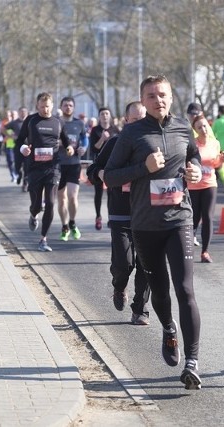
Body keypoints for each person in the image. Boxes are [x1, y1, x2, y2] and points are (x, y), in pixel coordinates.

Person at [104, 74, 203, 390]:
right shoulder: (132, 134)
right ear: (143, 100)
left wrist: (197, 170)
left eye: (162, 94)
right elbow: (109, 176)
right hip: (145, 225)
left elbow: (194, 158)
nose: (158, 100)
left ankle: (192, 362)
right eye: (151, 96)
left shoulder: (182, 129)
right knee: (160, 292)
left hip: (179, 219)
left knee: (185, 289)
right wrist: (142, 168)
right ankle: (168, 329)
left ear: (171, 97)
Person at [88, 101, 151, 325]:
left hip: (148, 214)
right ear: (126, 121)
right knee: (124, 264)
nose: (140, 123)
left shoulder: (155, 143)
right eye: (135, 120)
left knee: (147, 265)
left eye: (144, 118)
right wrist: (104, 175)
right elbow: (92, 170)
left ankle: (140, 310)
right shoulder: (115, 142)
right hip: (120, 213)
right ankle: (119, 286)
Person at [17, 92, 73, 252]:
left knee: (50, 203)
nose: (45, 110)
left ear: (52, 106)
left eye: (47, 106)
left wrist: (69, 147)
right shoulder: (31, 120)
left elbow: (66, 139)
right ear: (37, 106)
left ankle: (43, 239)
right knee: (36, 204)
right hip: (34, 168)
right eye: (42, 107)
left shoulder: (58, 121)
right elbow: (20, 140)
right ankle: (33, 214)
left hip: (53, 168)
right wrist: (23, 149)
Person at [189, 115, 224, 263]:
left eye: (205, 126)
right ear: (195, 130)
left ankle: (205, 252)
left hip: (210, 184)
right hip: (194, 185)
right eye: (199, 127)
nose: (203, 129)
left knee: (208, 217)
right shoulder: (192, 145)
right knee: (194, 217)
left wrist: (221, 161)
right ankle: (186, 249)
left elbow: (215, 164)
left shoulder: (214, 143)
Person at [57, 96, 88, 241]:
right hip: (58, 165)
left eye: (70, 105)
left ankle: (72, 222)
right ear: (61, 107)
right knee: (61, 199)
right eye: (65, 105)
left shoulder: (79, 123)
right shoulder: (57, 123)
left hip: (74, 164)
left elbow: (84, 139)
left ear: (73, 107)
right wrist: (59, 143)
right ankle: (64, 226)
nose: (68, 107)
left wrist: (83, 147)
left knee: (72, 197)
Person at [89, 107, 119, 230]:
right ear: (99, 116)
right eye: (102, 114)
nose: (104, 116)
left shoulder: (116, 130)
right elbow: (94, 149)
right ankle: (98, 217)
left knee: (112, 193)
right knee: (99, 193)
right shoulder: (95, 130)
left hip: (112, 165)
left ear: (110, 116)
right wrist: (102, 138)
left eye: (107, 114)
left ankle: (110, 217)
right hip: (99, 164)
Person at [7, 107, 29, 190]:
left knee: (27, 166)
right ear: (19, 113)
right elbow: (3, 128)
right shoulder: (14, 123)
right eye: (21, 112)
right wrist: (10, 136)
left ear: (27, 113)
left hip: (28, 147)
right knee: (17, 165)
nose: (23, 113)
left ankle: (25, 183)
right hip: (18, 147)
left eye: (24, 112)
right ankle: (19, 175)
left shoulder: (30, 122)